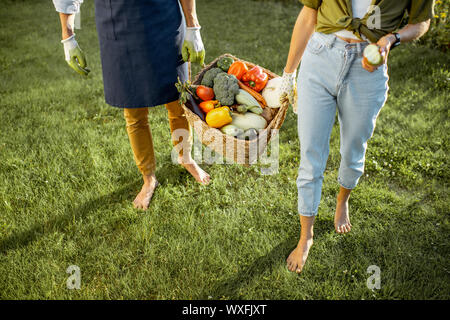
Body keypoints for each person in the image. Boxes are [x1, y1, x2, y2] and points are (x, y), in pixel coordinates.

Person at [280, 0, 434, 273]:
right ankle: (306, 236)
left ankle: (342, 201)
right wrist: (289, 74)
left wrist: (393, 38)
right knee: (310, 157)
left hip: (367, 68)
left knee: (353, 152)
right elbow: (309, 14)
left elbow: (421, 22)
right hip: (320, 56)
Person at [52, 0, 210, 210]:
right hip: (119, 26)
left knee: (178, 101)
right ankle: (148, 178)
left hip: (165, 19)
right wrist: (68, 37)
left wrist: (193, 27)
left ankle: (186, 157)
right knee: (134, 109)